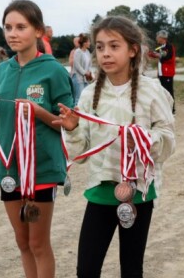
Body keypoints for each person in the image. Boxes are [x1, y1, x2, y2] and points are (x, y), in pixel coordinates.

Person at [55, 16, 176, 278]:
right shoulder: (88, 95)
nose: (105, 54)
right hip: (100, 190)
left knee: (131, 270)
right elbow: (80, 154)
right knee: (86, 270)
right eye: (100, 47)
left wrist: (146, 140)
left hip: (139, 192)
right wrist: (72, 129)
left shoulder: (152, 91)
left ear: (133, 50)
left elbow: (168, 141)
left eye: (114, 46)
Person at [0, 0, 73, 278]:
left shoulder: (54, 71)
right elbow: (0, 117)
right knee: (23, 242)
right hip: (9, 167)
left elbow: (69, 123)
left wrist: (39, 112)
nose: (13, 33)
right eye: (7, 27)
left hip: (41, 167)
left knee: (39, 243)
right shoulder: (2, 70)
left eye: (21, 27)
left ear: (38, 31)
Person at [149, 30, 176, 114]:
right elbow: (155, 54)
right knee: (161, 91)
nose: (156, 38)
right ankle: (164, 108)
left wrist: (159, 55)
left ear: (162, 38)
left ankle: (172, 109)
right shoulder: (160, 47)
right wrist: (150, 53)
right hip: (161, 73)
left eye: (157, 37)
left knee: (168, 90)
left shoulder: (169, 47)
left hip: (167, 73)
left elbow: (169, 58)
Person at [71, 33, 93, 104]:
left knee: (86, 96)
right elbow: (77, 65)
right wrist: (85, 73)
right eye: (89, 42)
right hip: (78, 78)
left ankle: (83, 114)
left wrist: (89, 72)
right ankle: (75, 113)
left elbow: (90, 64)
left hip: (86, 79)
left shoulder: (88, 52)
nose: (90, 43)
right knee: (78, 98)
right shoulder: (78, 52)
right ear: (84, 43)